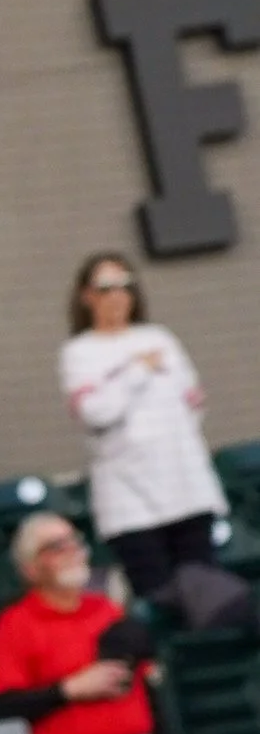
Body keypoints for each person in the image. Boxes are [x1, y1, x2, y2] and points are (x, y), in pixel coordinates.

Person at [0, 513, 188, 734]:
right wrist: (68, 690)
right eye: (56, 547)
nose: (72, 553)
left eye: (74, 543)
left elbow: (149, 684)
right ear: (30, 568)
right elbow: (3, 703)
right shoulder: (15, 625)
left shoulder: (107, 610)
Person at [58, 254, 228, 602]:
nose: (118, 295)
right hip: (131, 502)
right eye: (106, 288)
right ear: (87, 295)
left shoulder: (159, 338)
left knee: (208, 594)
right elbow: (95, 412)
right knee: (159, 600)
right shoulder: (79, 352)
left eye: (125, 286)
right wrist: (136, 372)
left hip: (187, 489)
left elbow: (192, 402)